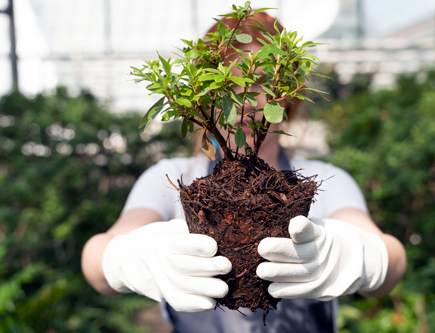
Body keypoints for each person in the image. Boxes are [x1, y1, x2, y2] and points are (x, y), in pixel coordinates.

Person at [81, 12, 406, 333]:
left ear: (287, 94)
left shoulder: (323, 183)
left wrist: (362, 258)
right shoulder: (170, 179)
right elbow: (95, 260)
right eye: (227, 84)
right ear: (203, 97)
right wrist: (131, 259)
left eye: (262, 81)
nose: (244, 101)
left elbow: (392, 260)